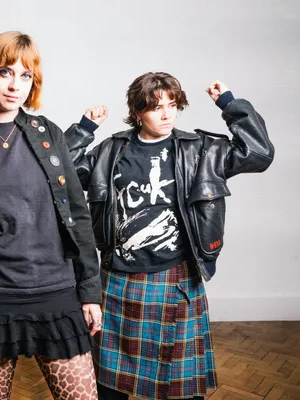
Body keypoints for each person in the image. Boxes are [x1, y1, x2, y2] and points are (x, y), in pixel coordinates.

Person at [66, 72, 274, 399]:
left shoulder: (200, 151)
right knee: (109, 386)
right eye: (156, 107)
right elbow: (59, 171)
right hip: (119, 279)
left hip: (176, 277)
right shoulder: (110, 151)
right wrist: (84, 128)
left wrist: (230, 104)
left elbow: (259, 153)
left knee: (183, 390)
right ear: (137, 112)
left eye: (172, 105)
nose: (166, 114)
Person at [0, 31, 102, 400]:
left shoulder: (50, 134)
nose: (15, 86)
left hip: (56, 291)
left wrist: (90, 290)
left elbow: (78, 214)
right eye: (5, 72)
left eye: (25, 75)